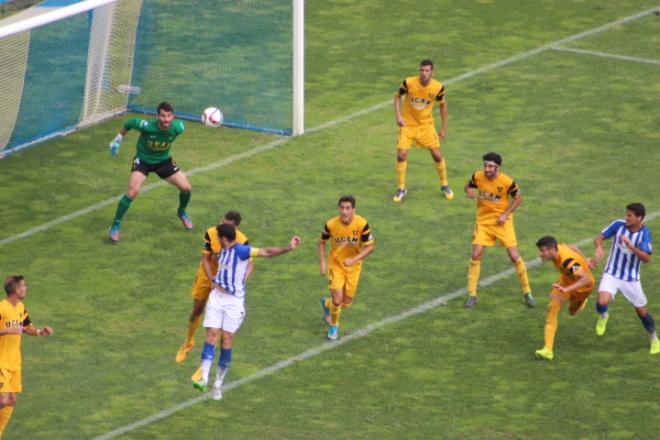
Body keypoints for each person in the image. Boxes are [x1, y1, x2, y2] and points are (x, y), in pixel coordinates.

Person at [192, 224, 300, 400]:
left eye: (218, 236)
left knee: (227, 339)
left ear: (223, 238)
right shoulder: (222, 249)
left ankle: (218, 383)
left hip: (233, 302)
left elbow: (265, 252)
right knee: (211, 333)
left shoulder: (241, 251)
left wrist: (288, 248)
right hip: (217, 297)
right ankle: (204, 378)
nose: (216, 239)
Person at [107, 101, 193, 242]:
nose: (166, 119)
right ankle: (115, 226)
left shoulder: (178, 128)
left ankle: (181, 211)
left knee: (186, 188)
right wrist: (118, 139)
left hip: (163, 161)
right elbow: (130, 122)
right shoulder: (147, 126)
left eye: (169, 116)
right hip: (143, 161)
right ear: (157, 116)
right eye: (163, 116)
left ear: (173, 117)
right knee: (132, 192)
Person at [175, 211, 251, 366]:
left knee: (217, 325)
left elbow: (250, 264)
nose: (221, 226)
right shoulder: (211, 233)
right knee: (196, 309)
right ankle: (188, 343)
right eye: (222, 221)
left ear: (236, 228)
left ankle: (206, 362)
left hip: (225, 285)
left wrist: (239, 282)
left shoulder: (242, 241)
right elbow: (205, 258)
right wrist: (211, 280)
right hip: (207, 275)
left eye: (226, 224)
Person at [463, 152, 534, 308]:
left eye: (490, 166)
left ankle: (527, 291)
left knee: (514, 256)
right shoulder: (478, 176)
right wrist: (468, 190)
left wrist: (506, 214)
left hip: (503, 222)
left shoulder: (507, 182)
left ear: (497, 167)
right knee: (476, 254)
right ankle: (472, 294)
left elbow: (519, 197)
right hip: (483, 222)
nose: (487, 169)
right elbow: (468, 185)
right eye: (485, 165)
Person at [591, 203, 658, 354]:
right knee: (601, 301)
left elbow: (646, 258)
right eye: (626, 214)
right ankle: (604, 315)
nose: (626, 218)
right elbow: (599, 238)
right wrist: (599, 247)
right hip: (612, 273)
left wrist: (631, 247)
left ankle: (654, 338)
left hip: (631, 279)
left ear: (639, 218)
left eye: (630, 215)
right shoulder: (618, 225)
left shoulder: (644, 234)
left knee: (642, 312)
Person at [392, 59, 453, 203]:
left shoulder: (438, 87)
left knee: (437, 155)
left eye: (427, 71)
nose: (424, 73)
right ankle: (401, 188)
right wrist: (398, 115)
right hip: (407, 125)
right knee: (401, 155)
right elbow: (397, 96)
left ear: (432, 72)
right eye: (422, 70)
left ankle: (444, 184)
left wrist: (443, 128)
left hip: (426, 126)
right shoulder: (409, 82)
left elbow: (443, 106)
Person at [0, 276, 53, 438]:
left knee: (11, 401)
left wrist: (39, 332)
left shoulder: (21, 307)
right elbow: (12, 330)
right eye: (23, 286)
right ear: (16, 290)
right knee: (2, 400)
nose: (26, 288)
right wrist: (7, 330)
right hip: (0, 362)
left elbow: (26, 328)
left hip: (15, 362)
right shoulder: (1, 308)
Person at [318, 196, 375, 340]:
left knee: (346, 303)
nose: (344, 212)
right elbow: (322, 242)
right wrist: (323, 263)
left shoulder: (362, 224)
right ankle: (334, 326)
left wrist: (354, 259)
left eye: (348, 208)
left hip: (354, 267)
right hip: (336, 265)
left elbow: (370, 247)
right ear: (339, 208)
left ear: (353, 210)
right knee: (337, 301)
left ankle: (326, 303)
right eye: (342, 208)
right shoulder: (330, 224)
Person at [534, 236, 595, 360]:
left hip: (583, 287)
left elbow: (586, 278)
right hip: (566, 281)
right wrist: (585, 260)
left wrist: (568, 289)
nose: (540, 254)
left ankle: (581, 303)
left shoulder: (568, 262)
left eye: (542, 250)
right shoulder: (559, 248)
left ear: (551, 250)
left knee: (572, 311)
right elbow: (573, 247)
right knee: (552, 307)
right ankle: (548, 350)